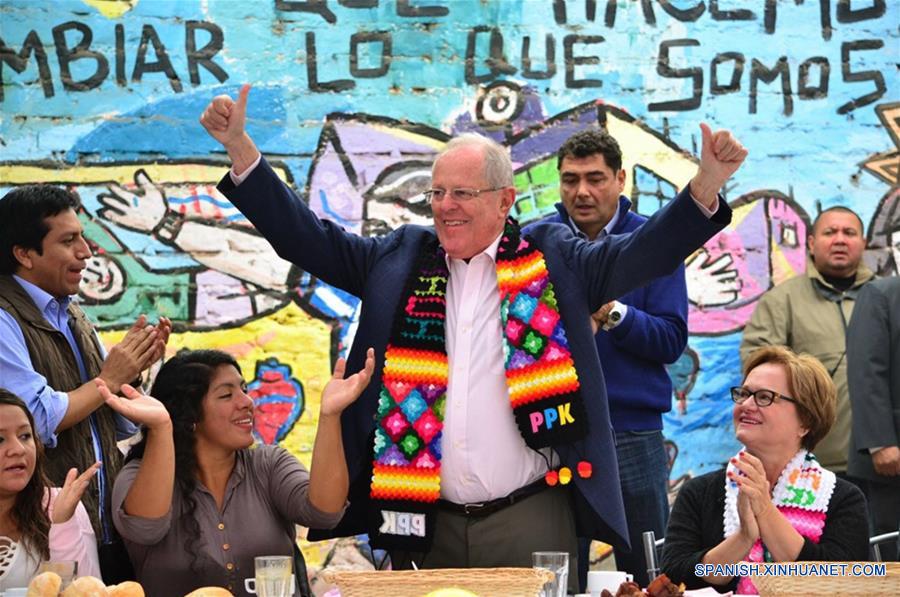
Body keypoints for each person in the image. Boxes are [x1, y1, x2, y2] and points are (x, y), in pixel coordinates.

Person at [199, 84, 745, 584]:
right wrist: (242, 151)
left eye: (462, 193)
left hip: (529, 518)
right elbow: (306, 239)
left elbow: (640, 253)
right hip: (420, 521)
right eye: (437, 194)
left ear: (505, 201)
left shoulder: (554, 259)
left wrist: (705, 187)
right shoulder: (400, 259)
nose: (444, 206)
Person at [531, 129, 686, 588]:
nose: (582, 191)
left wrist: (614, 313)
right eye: (570, 179)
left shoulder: (653, 243)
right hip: (557, 428)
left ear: (620, 179)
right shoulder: (538, 242)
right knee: (559, 572)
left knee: (649, 569)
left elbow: (671, 340)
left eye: (596, 178)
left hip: (632, 433)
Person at [0, 185, 171, 582]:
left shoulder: (72, 313)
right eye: (68, 240)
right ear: (24, 254)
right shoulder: (4, 317)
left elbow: (112, 418)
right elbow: (37, 421)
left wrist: (133, 374)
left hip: (104, 529)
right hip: (44, 538)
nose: (86, 252)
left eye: (82, 237)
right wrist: (109, 378)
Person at [104, 347, 374, 597]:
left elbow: (325, 512)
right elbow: (145, 529)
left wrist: (330, 416)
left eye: (244, 389)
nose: (247, 402)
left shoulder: (268, 464)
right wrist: (162, 427)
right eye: (226, 394)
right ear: (189, 416)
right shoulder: (137, 476)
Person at [661, 346, 869, 594]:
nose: (747, 404)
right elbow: (675, 576)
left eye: (764, 397)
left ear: (805, 421)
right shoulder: (700, 492)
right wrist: (744, 539)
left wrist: (765, 510)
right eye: (744, 394)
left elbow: (840, 582)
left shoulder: (843, 498)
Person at [740, 206, 873, 474]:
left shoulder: (885, 299)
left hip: (883, 457)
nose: (839, 239)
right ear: (811, 243)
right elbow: (758, 368)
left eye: (849, 233)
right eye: (829, 232)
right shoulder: (783, 300)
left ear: (863, 243)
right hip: (812, 461)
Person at [0, 388, 102, 590]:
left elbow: (88, 591)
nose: (18, 449)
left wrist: (63, 523)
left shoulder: (59, 503)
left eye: (25, 436)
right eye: (0, 439)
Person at [847, 277, 900, 561]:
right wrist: (880, 443)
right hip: (890, 458)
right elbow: (866, 371)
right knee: (888, 550)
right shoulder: (880, 294)